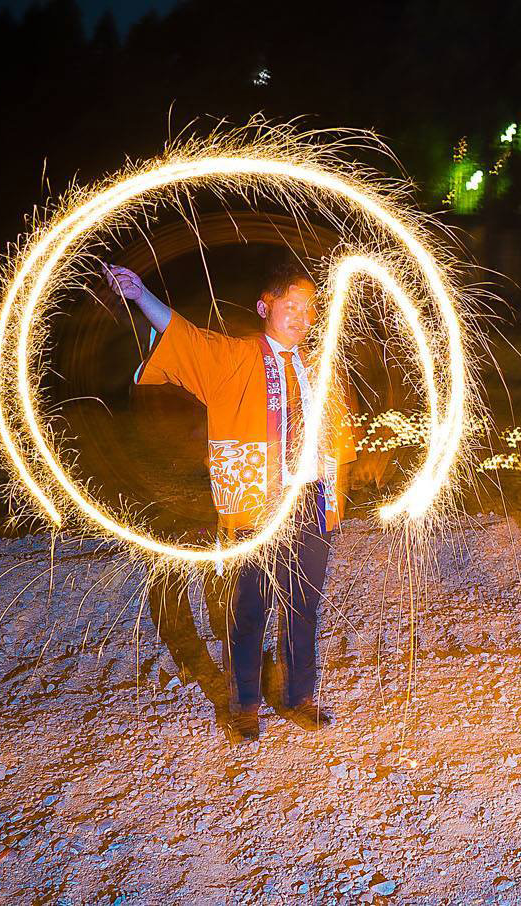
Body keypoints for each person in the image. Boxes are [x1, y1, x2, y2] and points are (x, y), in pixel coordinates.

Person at [105, 259, 356, 741]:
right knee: (250, 606)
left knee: (304, 604)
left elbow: (336, 434)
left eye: (310, 310)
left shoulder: (320, 369)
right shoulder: (234, 357)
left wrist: (336, 493)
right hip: (255, 503)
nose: (302, 318)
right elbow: (187, 338)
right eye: (291, 306)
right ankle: (244, 703)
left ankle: (299, 695)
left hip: (310, 499)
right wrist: (141, 296)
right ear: (265, 307)